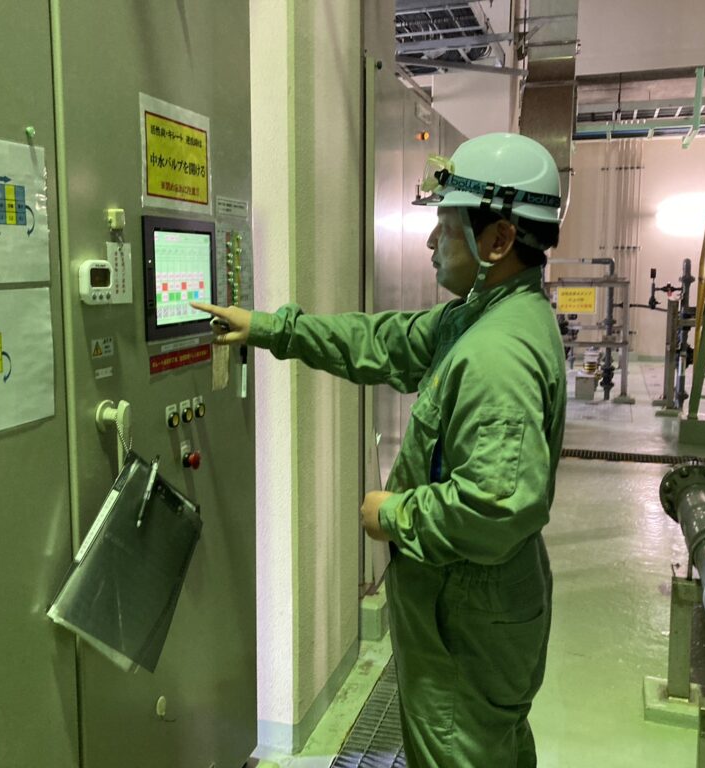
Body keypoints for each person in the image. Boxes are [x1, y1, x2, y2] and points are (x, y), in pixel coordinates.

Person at [193, 132, 566, 767]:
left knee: (462, 751)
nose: (431, 240)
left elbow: (497, 507)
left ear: (499, 240)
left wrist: (392, 514)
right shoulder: (485, 316)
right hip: (472, 616)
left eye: (447, 225)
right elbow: (384, 341)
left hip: (465, 625)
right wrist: (271, 329)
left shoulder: (497, 355)